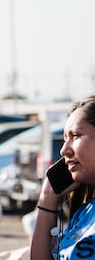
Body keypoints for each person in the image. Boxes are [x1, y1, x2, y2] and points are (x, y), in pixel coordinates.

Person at [31, 95, 95, 260]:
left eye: (76, 136)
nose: (64, 150)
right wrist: (47, 199)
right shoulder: (85, 212)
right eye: (65, 138)